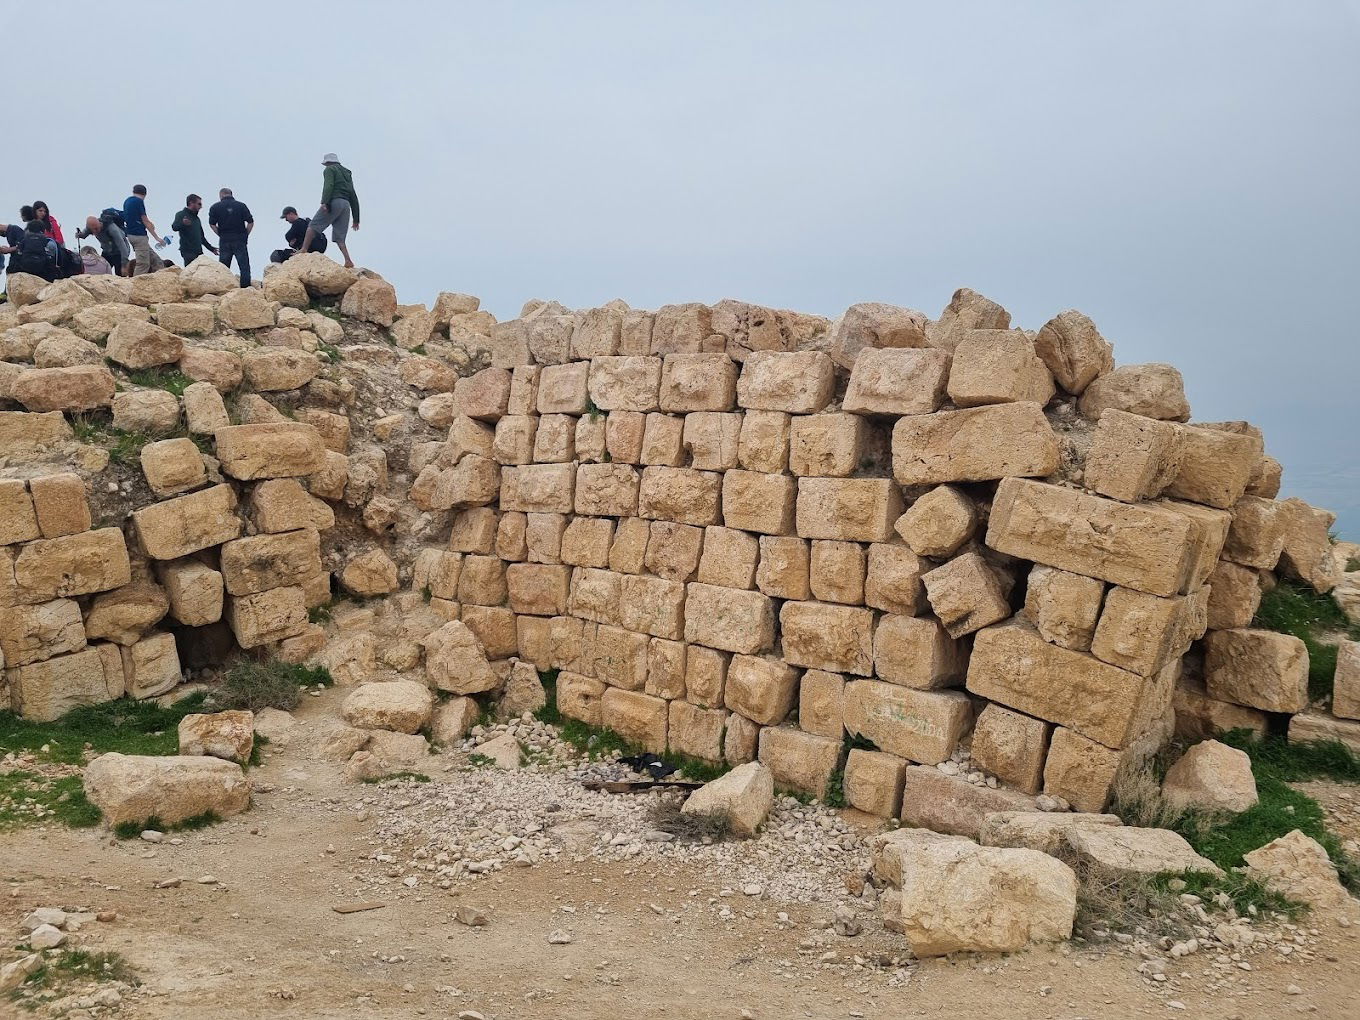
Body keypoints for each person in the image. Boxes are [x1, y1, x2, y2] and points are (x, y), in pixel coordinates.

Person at [301, 153, 360, 269]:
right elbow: (353, 194)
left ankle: (303, 249)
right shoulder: (346, 173)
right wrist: (356, 218)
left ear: (327, 162)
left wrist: (324, 202)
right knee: (340, 237)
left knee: (313, 226)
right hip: (346, 205)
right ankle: (348, 260)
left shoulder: (330, 170)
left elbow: (329, 185)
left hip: (334, 201)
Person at [208, 187, 254, 287]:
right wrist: (245, 234)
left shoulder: (215, 207)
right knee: (244, 266)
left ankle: (223, 288)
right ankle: (245, 289)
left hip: (225, 240)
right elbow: (250, 222)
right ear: (231, 194)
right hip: (240, 239)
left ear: (221, 195)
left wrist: (220, 234)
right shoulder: (241, 206)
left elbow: (212, 224)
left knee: (223, 268)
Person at [123, 185, 165, 276]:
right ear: (145, 194)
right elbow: (144, 220)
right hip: (139, 236)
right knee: (143, 264)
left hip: (131, 235)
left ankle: (160, 278)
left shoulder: (127, 201)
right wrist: (157, 238)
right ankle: (135, 285)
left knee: (157, 261)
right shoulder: (139, 202)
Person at [175, 194, 218, 266]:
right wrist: (183, 223)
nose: (201, 207)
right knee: (190, 273)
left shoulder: (197, 219)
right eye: (199, 204)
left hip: (199, 252)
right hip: (188, 251)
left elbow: (201, 237)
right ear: (191, 203)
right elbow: (174, 227)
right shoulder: (181, 214)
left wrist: (211, 249)